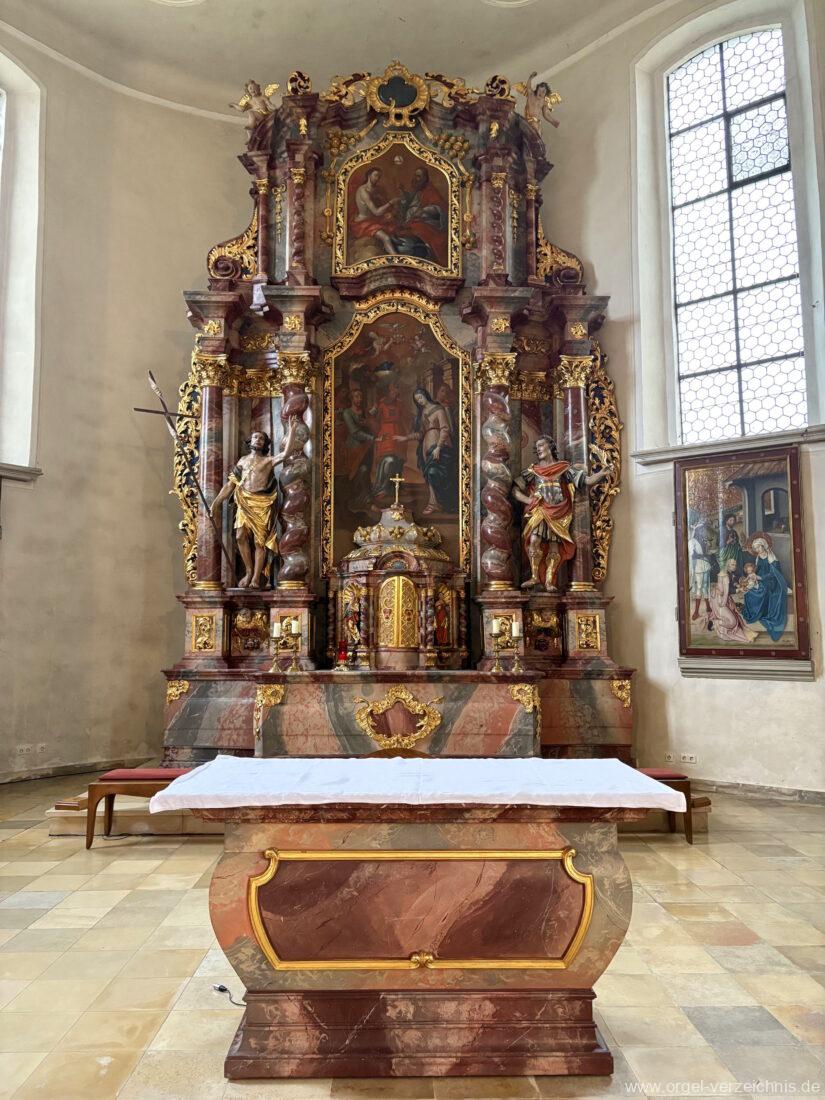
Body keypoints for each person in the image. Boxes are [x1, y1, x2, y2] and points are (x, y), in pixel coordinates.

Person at [512, 435, 613, 591]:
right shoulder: (533, 471)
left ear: (551, 447)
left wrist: (601, 474)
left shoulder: (564, 468)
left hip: (560, 512)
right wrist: (528, 500)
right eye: (536, 447)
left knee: (554, 547)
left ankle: (549, 581)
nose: (538, 449)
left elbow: (586, 481)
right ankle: (534, 576)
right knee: (534, 540)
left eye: (541, 445)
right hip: (540, 510)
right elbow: (515, 490)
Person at [210, 419, 297, 589]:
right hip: (244, 501)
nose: (258, 440)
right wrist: (215, 503)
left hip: (262, 503)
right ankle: (249, 572)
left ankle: (256, 577)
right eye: (255, 437)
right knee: (240, 536)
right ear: (250, 442)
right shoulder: (242, 461)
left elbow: (285, 454)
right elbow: (230, 485)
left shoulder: (268, 460)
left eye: (261, 439)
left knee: (260, 542)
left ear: (265, 444)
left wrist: (292, 431)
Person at [400, 387, 457, 515]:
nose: (420, 401)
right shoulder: (422, 414)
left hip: (439, 446)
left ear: (425, 395)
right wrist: (406, 438)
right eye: (417, 400)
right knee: (430, 476)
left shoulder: (438, 409)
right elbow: (420, 433)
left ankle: (439, 503)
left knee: (436, 473)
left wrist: (438, 447)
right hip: (425, 448)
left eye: (420, 397)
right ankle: (433, 503)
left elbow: (445, 429)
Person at [392, 167, 448, 262]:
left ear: (425, 179)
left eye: (418, 176)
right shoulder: (418, 191)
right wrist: (402, 191)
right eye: (414, 176)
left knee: (418, 228)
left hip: (427, 222)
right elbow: (410, 202)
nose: (415, 178)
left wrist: (423, 211)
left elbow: (439, 207)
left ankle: (422, 251)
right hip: (413, 220)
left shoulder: (430, 191)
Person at [742, 534, 790, 642]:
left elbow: (774, 574)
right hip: (760, 578)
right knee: (750, 590)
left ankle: (761, 612)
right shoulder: (758, 557)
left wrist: (760, 577)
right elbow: (757, 569)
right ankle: (755, 611)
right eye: (755, 548)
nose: (757, 550)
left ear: (763, 546)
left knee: (762, 590)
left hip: (772, 581)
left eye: (758, 547)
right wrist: (754, 576)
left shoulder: (772, 557)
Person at [370, 380, 408, 505]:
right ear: (388, 392)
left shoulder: (400, 404)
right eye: (392, 391)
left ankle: (396, 487)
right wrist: (375, 407)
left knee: (399, 461)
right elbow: (372, 417)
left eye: (396, 391)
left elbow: (406, 417)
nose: (394, 393)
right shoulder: (381, 404)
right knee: (388, 461)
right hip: (386, 435)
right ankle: (382, 488)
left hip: (399, 433)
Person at [340, 389, 376, 516]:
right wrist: (371, 437)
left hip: (367, 447)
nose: (359, 399)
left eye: (360, 396)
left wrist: (370, 423)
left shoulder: (365, 412)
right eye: (356, 396)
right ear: (351, 398)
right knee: (358, 471)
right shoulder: (347, 412)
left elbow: (373, 425)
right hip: (354, 448)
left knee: (367, 471)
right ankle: (359, 499)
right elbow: (354, 432)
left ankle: (366, 500)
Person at [350, 167, 399, 255]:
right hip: (363, 223)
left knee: (395, 229)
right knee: (386, 238)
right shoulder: (363, 191)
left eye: (379, 176)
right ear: (369, 176)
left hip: (373, 220)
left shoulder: (376, 189)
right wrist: (391, 202)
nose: (377, 178)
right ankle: (396, 259)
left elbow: (380, 207)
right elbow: (376, 212)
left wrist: (388, 214)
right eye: (375, 175)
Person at [709, 559, 758, 643]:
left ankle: (721, 621)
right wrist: (739, 590)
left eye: (735, 564)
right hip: (720, 600)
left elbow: (731, 583)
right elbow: (726, 591)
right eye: (732, 564)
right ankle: (715, 623)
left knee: (736, 618)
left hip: (724, 598)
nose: (734, 566)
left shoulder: (729, 573)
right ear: (728, 565)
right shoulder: (724, 575)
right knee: (732, 622)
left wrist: (736, 584)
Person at [688, 522, 714, 623]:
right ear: (697, 531)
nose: (703, 532)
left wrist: (707, 551)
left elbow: (707, 552)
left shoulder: (704, 540)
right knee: (699, 587)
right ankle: (696, 612)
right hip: (698, 565)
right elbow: (693, 555)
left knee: (705, 586)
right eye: (701, 530)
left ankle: (708, 607)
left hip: (705, 564)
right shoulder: (692, 541)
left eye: (703, 530)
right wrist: (704, 556)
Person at [718, 513, 745, 581]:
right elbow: (718, 544)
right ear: (726, 521)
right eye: (730, 520)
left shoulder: (734, 531)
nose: (732, 522)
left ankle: (736, 580)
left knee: (736, 566)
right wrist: (727, 542)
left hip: (735, 552)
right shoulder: (722, 531)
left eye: (733, 520)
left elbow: (737, 542)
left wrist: (739, 546)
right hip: (726, 553)